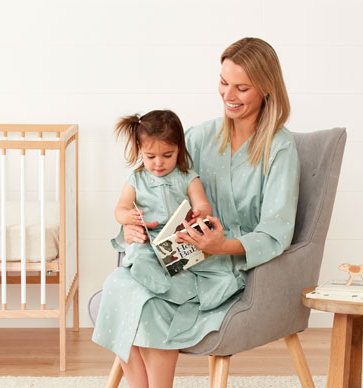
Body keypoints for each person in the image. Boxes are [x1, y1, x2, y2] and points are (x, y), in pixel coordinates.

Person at [92, 37, 300, 388]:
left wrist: (221, 246)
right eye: (222, 82)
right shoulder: (200, 137)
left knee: (150, 307)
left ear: (266, 88)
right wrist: (132, 225)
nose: (228, 95)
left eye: (241, 87)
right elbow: (154, 184)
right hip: (175, 258)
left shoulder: (280, 149)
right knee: (117, 284)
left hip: (227, 268)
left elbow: (276, 232)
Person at [111, 110, 212, 294]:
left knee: (203, 258)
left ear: (179, 148)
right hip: (149, 238)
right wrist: (129, 216)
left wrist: (201, 213)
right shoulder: (135, 180)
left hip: (179, 236)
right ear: (140, 148)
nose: (158, 163)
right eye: (151, 156)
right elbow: (120, 210)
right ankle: (153, 281)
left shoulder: (188, 178)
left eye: (167, 155)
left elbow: (203, 205)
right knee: (140, 255)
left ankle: (185, 283)